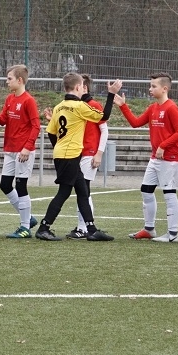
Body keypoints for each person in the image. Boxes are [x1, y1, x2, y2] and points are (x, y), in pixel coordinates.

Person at [34, 74, 121, 241]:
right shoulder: (80, 106)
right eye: (82, 86)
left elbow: (52, 132)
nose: (83, 89)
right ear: (77, 88)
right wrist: (111, 94)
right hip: (70, 155)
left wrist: (59, 147)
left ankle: (91, 229)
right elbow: (104, 116)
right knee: (64, 192)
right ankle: (44, 227)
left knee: (82, 191)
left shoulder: (59, 106)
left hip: (62, 154)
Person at [113, 72, 178, 242]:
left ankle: (173, 234)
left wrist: (163, 145)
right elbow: (135, 123)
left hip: (170, 159)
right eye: (150, 85)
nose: (150, 89)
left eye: (154, 86)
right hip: (155, 159)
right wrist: (123, 106)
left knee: (169, 194)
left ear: (165, 88)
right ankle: (149, 229)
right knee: (146, 190)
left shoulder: (171, 107)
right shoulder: (153, 108)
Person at [0, 64, 41, 238]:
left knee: (21, 186)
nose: (7, 82)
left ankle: (25, 227)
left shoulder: (28, 100)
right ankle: (27, 218)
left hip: (23, 151)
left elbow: (36, 126)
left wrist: (27, 147)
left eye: (9, 78)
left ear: (20, 80)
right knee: (5, 184)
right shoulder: (9, 98)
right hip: (10, 150)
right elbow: (3, 121)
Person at [64, 74, 111, 240]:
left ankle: (84, 228)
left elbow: (104, 130)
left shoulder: (93, 105)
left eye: (81, 85)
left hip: (89, 153)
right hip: (78, 153)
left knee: (84, 191)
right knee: (82, 191)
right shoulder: (76, 106)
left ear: (85, 87)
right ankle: (84, 227)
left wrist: (99, 153)